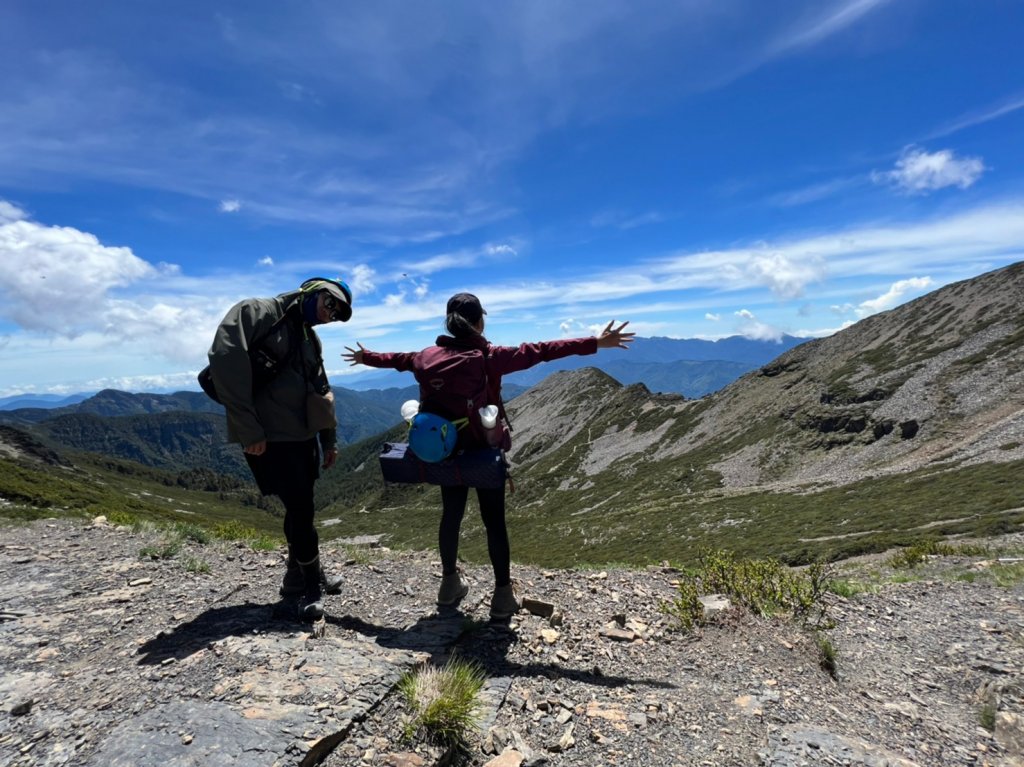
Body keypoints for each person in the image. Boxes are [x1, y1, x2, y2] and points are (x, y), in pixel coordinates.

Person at [343, 292, 633, 620]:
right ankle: (503, 596)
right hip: (482, 452)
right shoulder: (488, 357)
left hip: (444, 452)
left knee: (450, 515)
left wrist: (365, 357)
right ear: (479, 321)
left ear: (450, 322)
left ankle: (449, 585)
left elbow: (396, 359)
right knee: (493, 521)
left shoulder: (425, 357)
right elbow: (542, 351)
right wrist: (596, 342)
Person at [206, 277, 353, 621]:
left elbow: (321, 388)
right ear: (313, 290)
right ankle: (310, 585)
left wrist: (328, 439)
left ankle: (297, 577)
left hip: (302, 438)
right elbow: (224, 357)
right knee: (300, 509)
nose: (331, 314)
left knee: (301, 508)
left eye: (340, 313)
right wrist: (249, 428)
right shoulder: (257, 312)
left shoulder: (308, 336)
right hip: (269, 437)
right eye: (331, 303)